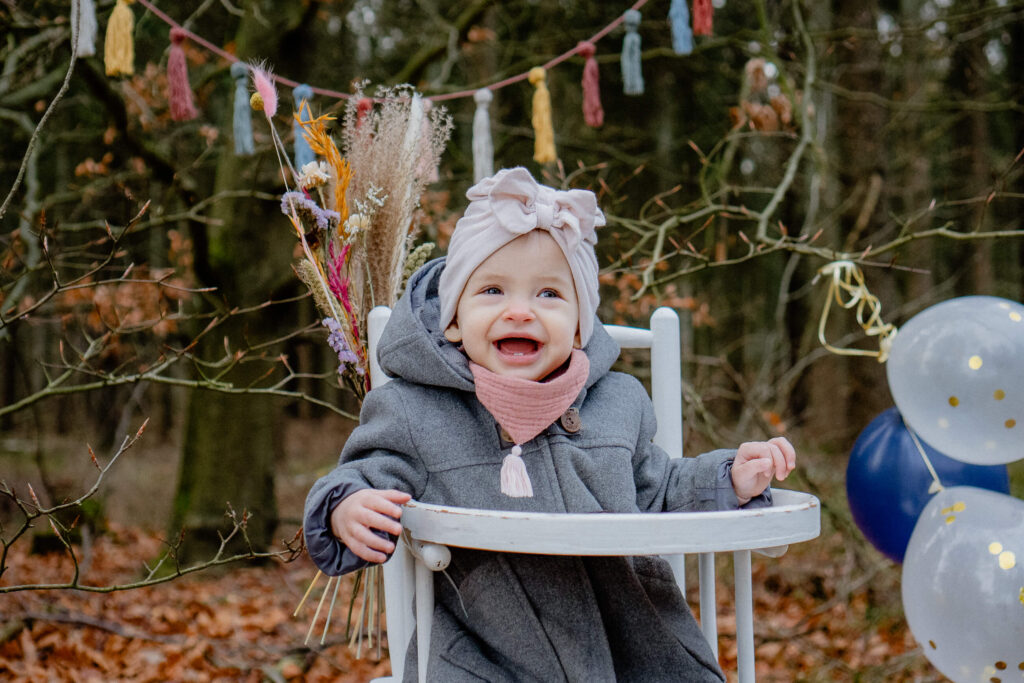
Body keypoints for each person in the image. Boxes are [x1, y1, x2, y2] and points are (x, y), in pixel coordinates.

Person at [304, 167, 796, 681]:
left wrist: (731, 477)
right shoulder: (414, 410)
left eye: (549, 295)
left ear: (582, 324)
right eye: (492, 291)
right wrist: (346, 509)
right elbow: (364, 474)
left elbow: (659, 487)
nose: (520, 312)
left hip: (632, 650)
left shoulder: (619, 401)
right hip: (487, 658)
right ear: (453, 319)